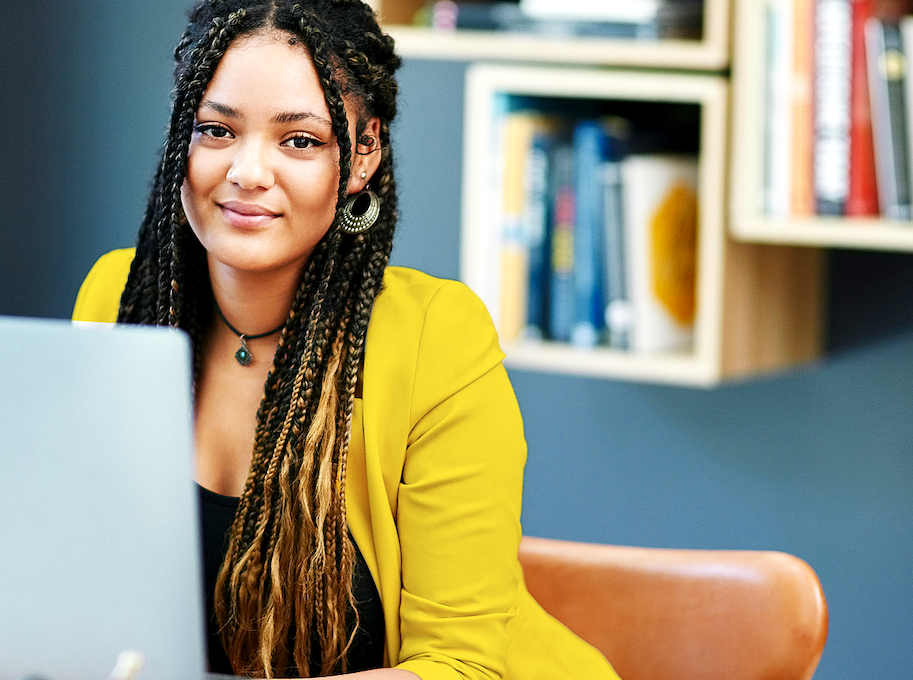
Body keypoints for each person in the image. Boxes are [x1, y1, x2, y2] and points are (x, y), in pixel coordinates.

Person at [72, 1, 620, 678]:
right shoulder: (117, 301)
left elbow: (457, 668)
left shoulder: (436, 340)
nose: (246, 171)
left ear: (364, 154)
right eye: (216, 130)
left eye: (298, 140)